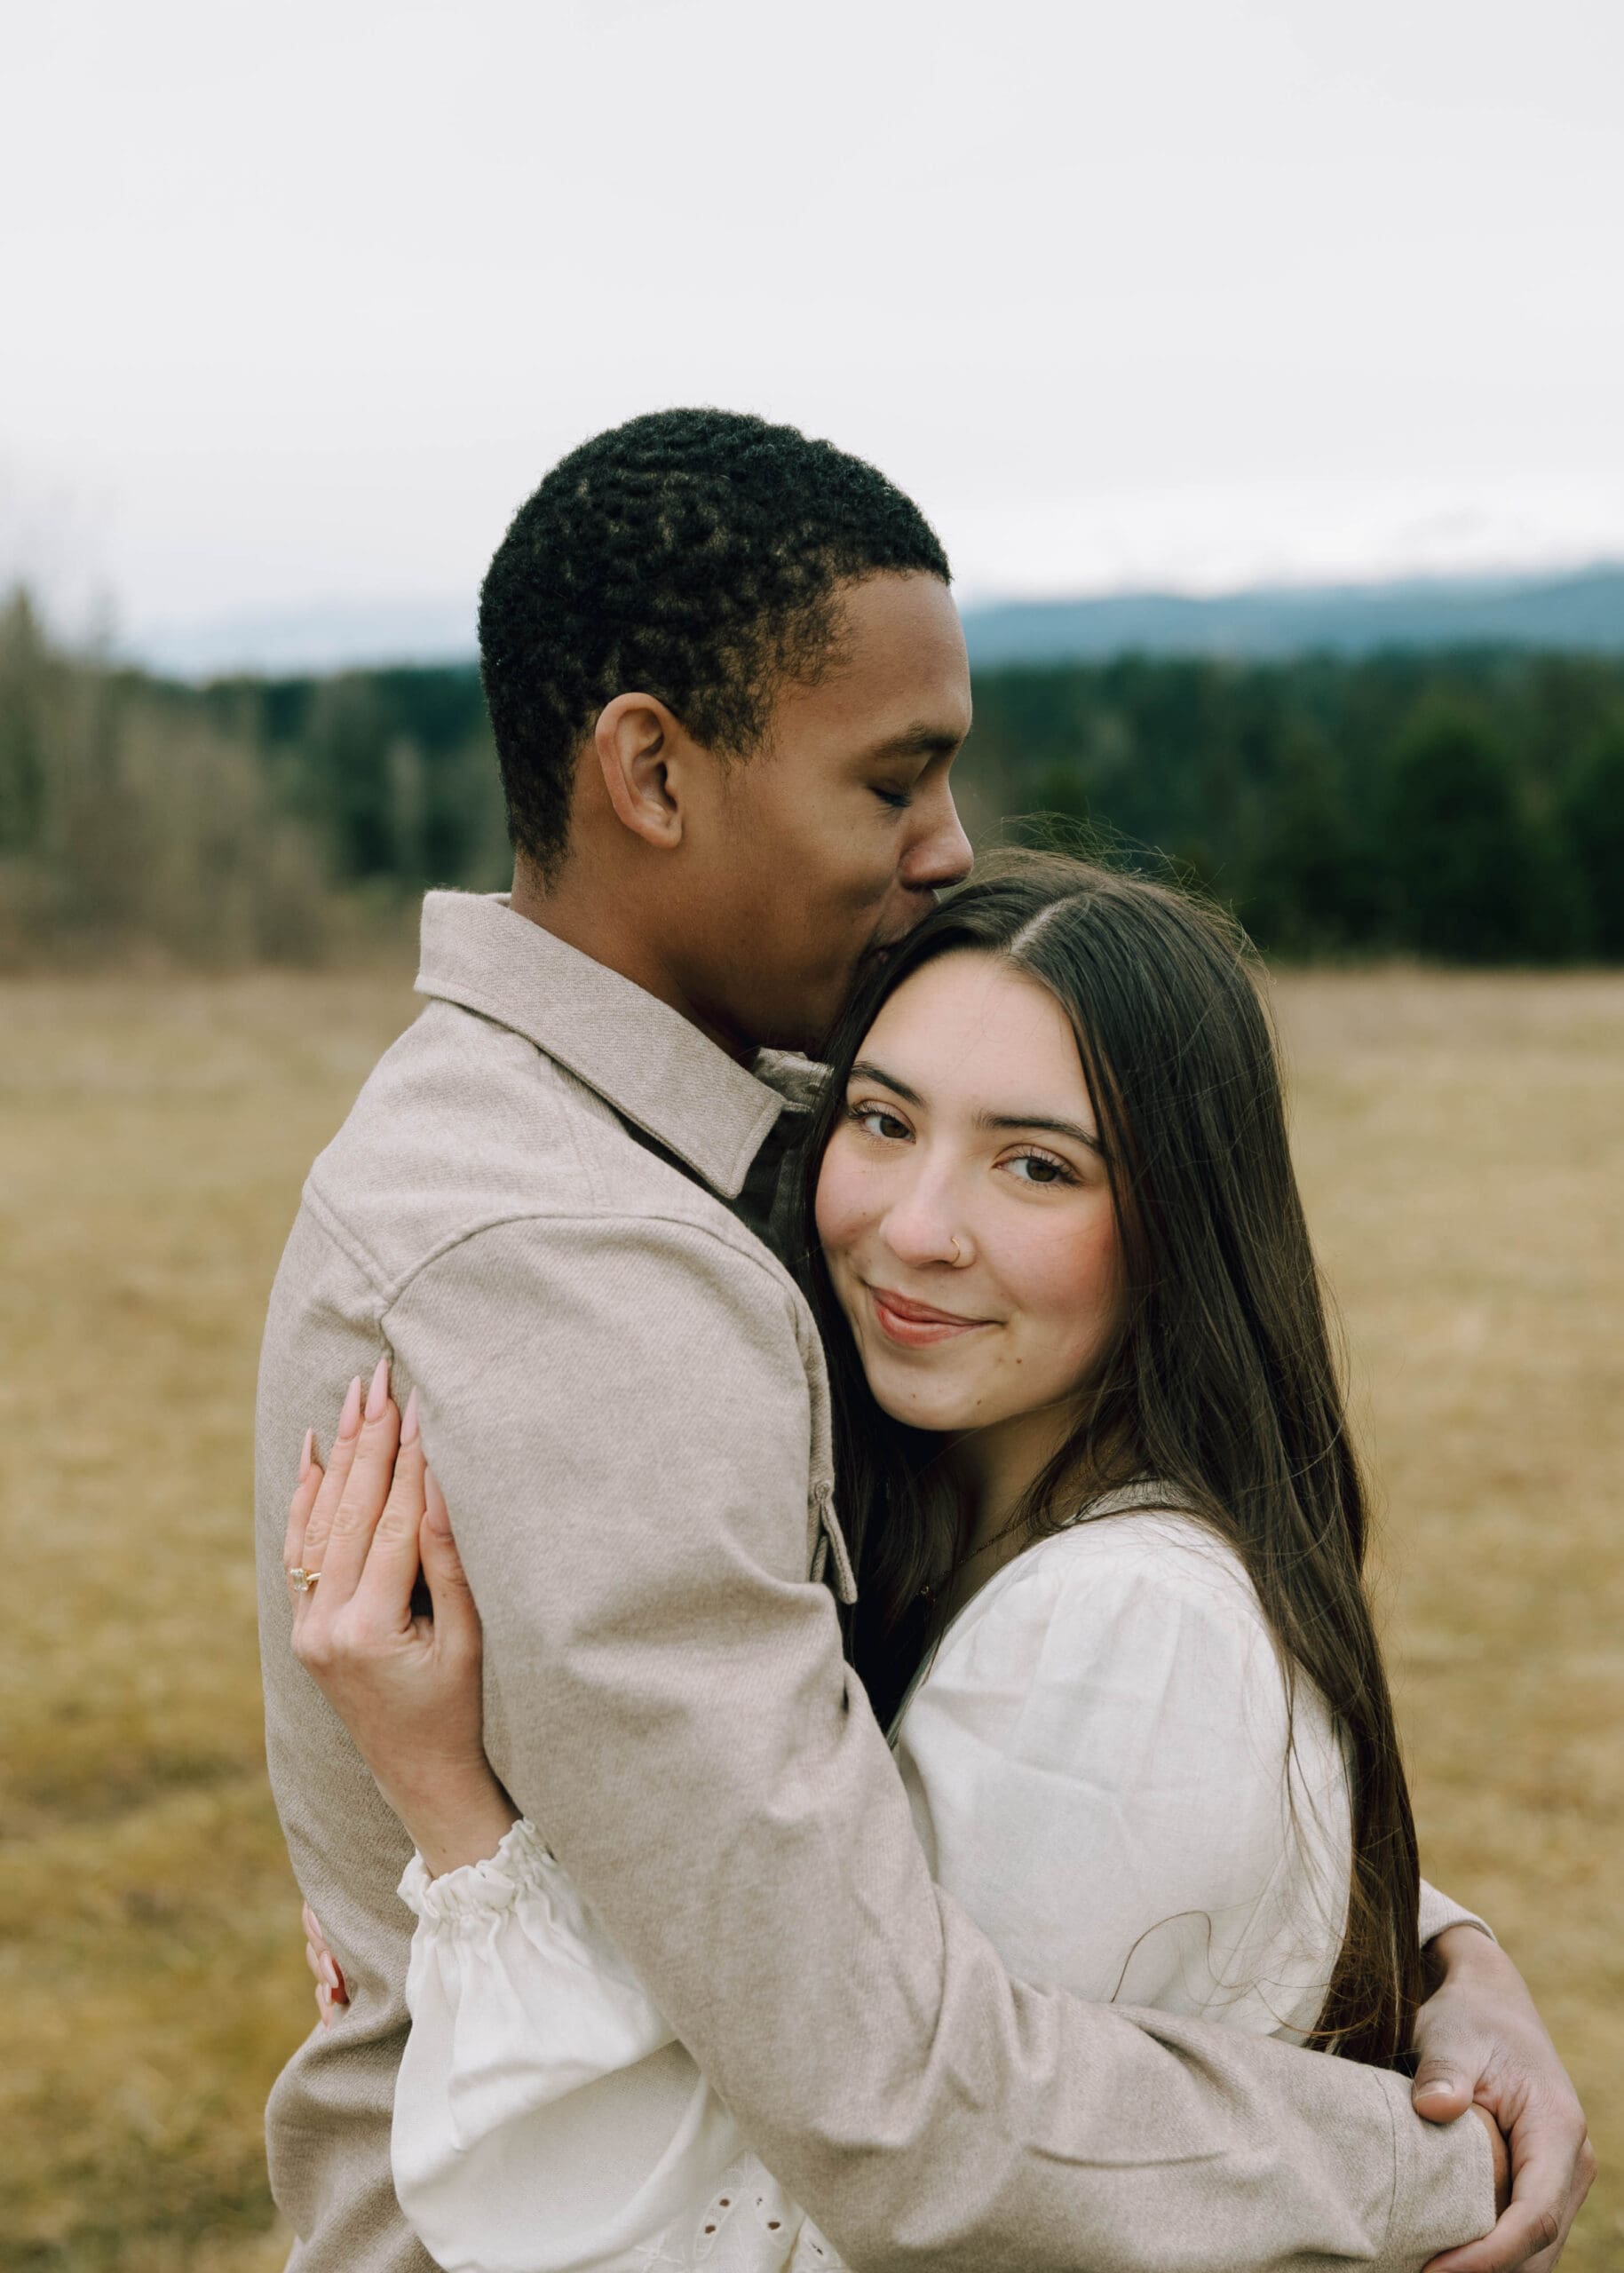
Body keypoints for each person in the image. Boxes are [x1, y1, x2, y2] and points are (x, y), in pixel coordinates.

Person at [255, 409, 1590, 2273]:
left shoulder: (697, 1130)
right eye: (896, 780)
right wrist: (1420, 2158)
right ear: (651, 767)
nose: (947, 844)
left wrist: (1435, 1944)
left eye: (1031, 1158)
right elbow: (891, 2090)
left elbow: (902, 1805)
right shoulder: (578, 1269)